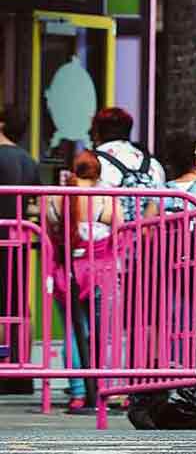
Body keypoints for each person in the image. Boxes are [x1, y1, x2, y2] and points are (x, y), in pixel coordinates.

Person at [47, 150, 118, 413]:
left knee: (73, 332)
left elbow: (49, 234)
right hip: (100, 271)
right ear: (98, 172)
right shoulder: (106, 196)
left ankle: (78, 392)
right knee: (102, 333)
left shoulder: (55, 197)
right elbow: (120, 229)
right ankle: (104, 389)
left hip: (66, 271)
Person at [0, 104, 39, 396]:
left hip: (4, 237)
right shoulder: (29, 161)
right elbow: (36, 204)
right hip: (20, 239)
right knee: (17, 305)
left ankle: (3, 369)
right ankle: (21, 372)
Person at [91, 106, 165, 221]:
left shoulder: (93, 161)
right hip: (146, 231)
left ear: (97, 132)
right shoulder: (153, 164)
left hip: (107, 231)